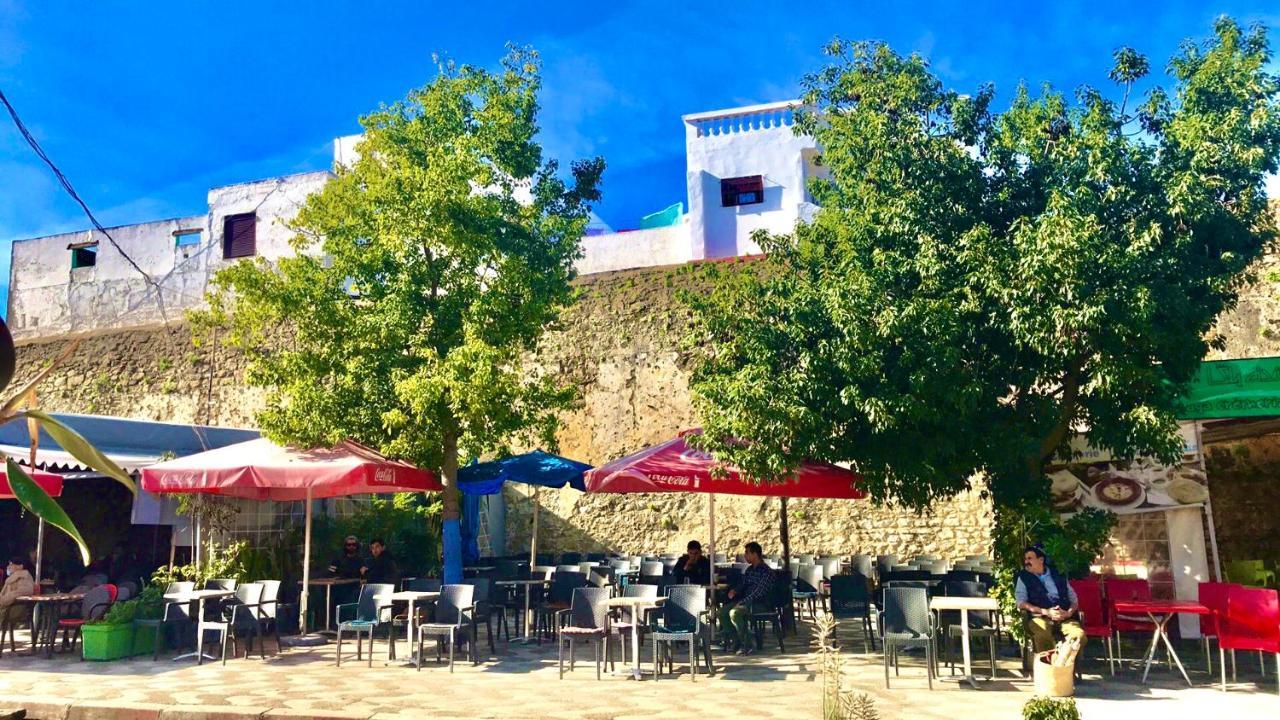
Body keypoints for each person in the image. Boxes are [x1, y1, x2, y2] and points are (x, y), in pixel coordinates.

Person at [1015, 545, 1086, 654]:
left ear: (1041, 560)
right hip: (1040, 617)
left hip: (1064, 617)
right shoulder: (1023, 577)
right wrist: (1045, 612)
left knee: (1078, 636)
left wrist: (1068, 613)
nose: (1026, 562)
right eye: (1025, 559)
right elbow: (1021, 603)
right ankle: (1049, 666)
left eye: (1030, 558)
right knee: (1042, 633)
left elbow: (1074, 600)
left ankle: (1066, 664)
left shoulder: (1058, 575)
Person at [715, 541, 774, 655]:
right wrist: (735, 590)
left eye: (747, 553)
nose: (745, 556)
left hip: (759, 604)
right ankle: (736, 640)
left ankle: (747, 644)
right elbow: (743, 584)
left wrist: (742, 602)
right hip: (745, 601)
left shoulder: (766, 572)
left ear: (755, 554)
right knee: (721, 613)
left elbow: (758, 592)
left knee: (734, 613)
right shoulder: (749, 570)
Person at [1, 555, 35, 627]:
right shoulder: (11, 578)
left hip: (17, 608)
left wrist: (5, 599)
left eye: (11, 564)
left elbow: (26, 590)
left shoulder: (23, 576)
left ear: (20, 566)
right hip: (7, 606)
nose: (8, 567)